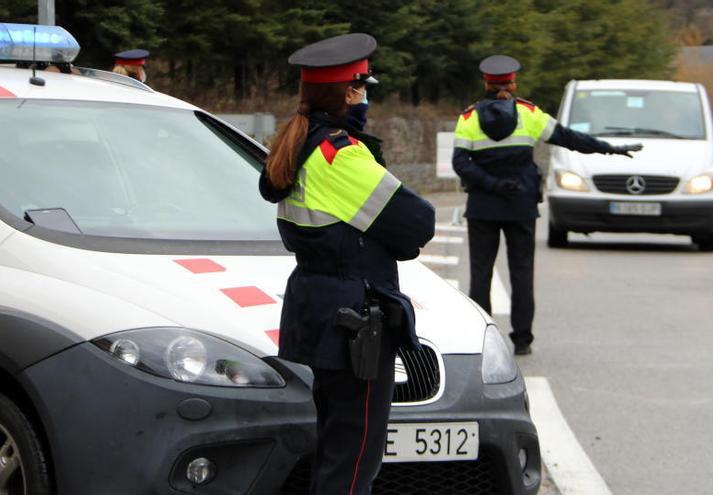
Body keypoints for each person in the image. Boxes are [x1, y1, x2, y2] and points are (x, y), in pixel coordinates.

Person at [258, 33, 435, 494]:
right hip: (355, 322)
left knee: (337, 449)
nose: (366, 96)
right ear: (350, 92)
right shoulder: (339, 155)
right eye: (363, 87)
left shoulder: (296, 145)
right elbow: (418, 222)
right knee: (355, 461)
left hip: (321, 309)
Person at [453, 55, 642, 355]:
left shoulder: (469, 119)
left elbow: (461, 163)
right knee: (522, 273)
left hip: (483, 207)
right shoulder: (529, 114)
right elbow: (569, 138)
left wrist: (491, 184)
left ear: (486, 83)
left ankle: (482, 341)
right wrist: (610, 149)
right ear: (513, 83)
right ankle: (523, 341)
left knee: (480, 275)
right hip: (521, 206)